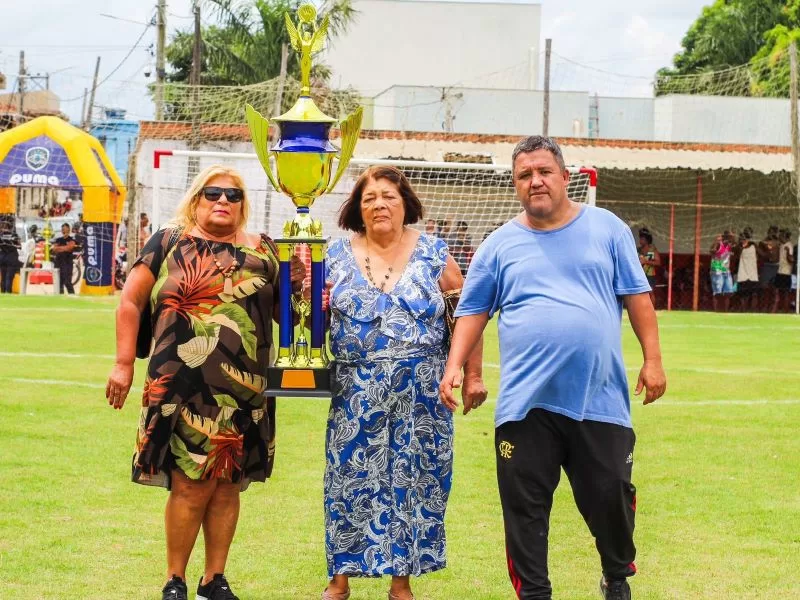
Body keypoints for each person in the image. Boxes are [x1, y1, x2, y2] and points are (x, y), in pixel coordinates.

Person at [439, 136, 666, 600]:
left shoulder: (607, 229)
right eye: (524, 175)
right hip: (526, 404)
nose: (535, 181)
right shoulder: (500, 245)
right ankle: (534, 594)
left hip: (599, 399)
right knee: (524, 510)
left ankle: (615, 572)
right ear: (515, 185)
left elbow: (637, 297)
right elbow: (473, 310)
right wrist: (455, 367)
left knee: (610, 497)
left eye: (544, 171)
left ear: (565, 176)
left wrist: (653, 359)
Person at [105, 165, 305, 600]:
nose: (222, 202)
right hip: (180, 384)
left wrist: (301, 284)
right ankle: (174, 579)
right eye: (213, 193)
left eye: (233, 196)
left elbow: (286, 317)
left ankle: (214, 578)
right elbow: (130, 302)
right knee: (190, 484)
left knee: (227, 484)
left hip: (244, 386)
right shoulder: (168, 242)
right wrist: (123, 362)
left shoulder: (265, 250)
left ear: (243, 205)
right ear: (196, 198)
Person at [322, 165, 487, 600]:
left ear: (406, 204)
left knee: (414, 481)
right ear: (357, 208)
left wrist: (473, 375)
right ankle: (339, 580)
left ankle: (402, 583)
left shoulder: (434, 252)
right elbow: (308, 317)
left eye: (389, 196)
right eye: (370, 197)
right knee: (347, 480)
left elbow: (466, 315)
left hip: (424, 394)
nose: (380, 204)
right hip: (354, 392)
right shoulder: (333, 255)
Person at [709, 230, 734, 312]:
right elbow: (712, 251)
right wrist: (716, 242)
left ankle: (726, 311)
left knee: (728, 291)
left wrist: (732, 237)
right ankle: (716, 310)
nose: (730, 239)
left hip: (726, 270)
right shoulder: (718, 244)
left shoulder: (730, 245)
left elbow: (735, 246)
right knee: (717, 292)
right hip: (717, 269)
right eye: (728, 237)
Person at [735, 228, 759, 311]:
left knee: (754, 294)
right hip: (743, 274)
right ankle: (744, 309)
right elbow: (737, 257)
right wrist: (741, 246)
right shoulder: (739, 247)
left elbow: (762, 254)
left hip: (753, 274)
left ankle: (752, 310)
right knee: (742, 294)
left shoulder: (754, 245)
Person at [757, 225, 780, 311]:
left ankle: (773, 308)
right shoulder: (764, 242)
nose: (772, 233)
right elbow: (762, 253)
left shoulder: (778, 242)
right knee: (764, 287)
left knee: (775, 288)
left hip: (776, 266)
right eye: (770, 231)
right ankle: (764, 306)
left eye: (774, 232)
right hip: (767, 265)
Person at [636, 228, 660, 307]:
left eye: (642, 239)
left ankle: (652, 310)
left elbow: (658, 262)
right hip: (640, 274)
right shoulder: (638, 250)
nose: (640, 241)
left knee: (650, 292)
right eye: (640, 239)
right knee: (638, 293)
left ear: (647, 240)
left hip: (650, 275)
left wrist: (646, 262)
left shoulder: (652, 250)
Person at [51, 223, 77, 295]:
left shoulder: (72, 239)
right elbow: (54, 249)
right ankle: (60, 298)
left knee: (67, 282)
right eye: (62, 229)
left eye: (65, 229)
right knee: (59, 283)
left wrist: (59, 248)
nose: (64, 230)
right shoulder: (58, 239)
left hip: (67, 263)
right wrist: (64, 248)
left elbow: (69, 248)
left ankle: (72, 297)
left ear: (69, 229)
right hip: (58, 262)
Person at [774, 229, 794, 313]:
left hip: (786, 273)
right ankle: (777, 309)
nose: (779, 237)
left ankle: (786, 310)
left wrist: (788, 253)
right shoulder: (781, 245)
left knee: (785, 292)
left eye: (781, 235)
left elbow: (791, 260)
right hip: (780, 271)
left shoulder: (789, 245)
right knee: (777, 291)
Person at [0, 217, 21, 293]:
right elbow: (19, 246)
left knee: (3, 277)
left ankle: (2, 293)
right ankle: (8, 293)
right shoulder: (14, 235)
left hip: (2, 257)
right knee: (9, 277)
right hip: (11, 257)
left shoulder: (0, 235)